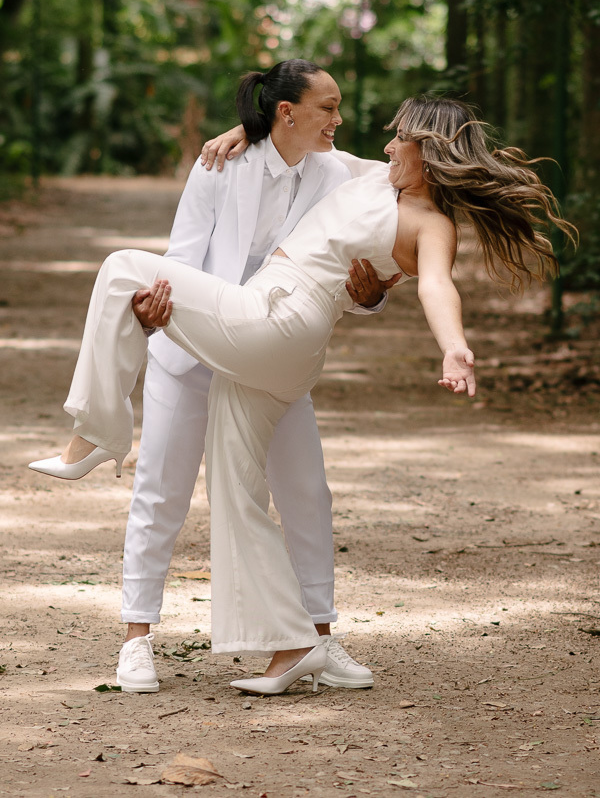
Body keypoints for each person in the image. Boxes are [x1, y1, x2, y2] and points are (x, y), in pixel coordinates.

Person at [29, 95, 575, 695]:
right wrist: (249, 125)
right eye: (385, 136)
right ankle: (291, 647)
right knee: (235, 492)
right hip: (274, 347)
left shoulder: (432, 224)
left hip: (273, 319)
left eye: (400, 139)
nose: (386, 145)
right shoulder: (362, 174)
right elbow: (304, 140)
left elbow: (437, 286)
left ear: (431, 152)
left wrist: (453, 345)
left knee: (121, 267)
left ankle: (97, 432)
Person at [115, 60, 398, 693]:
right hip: (195, 348)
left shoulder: (337, 172)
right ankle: (137, 637)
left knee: (306, 493)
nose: (339, 119)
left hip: (273, 354)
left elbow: (362, 251)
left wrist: (373, 292)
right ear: (286, 113)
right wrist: (156, 309)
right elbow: (183, 258)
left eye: (340, 107)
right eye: (328, 107)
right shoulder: (221, 165)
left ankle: (319, 638)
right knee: (162, 490)